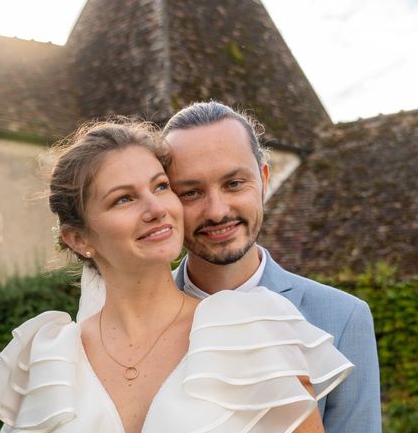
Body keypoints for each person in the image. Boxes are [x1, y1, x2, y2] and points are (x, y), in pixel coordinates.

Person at [0, 119, 353, 433]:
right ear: (78, 239)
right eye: (123, 199)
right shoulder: (49, 357)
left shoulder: (252, 333)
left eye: (161, 187)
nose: (156, 208)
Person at [162, 101, 382, 433]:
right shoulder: (139, 320)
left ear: (264, 180)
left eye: (234, 183)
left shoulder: (345, 319)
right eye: (191, 192)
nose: (218, 211)